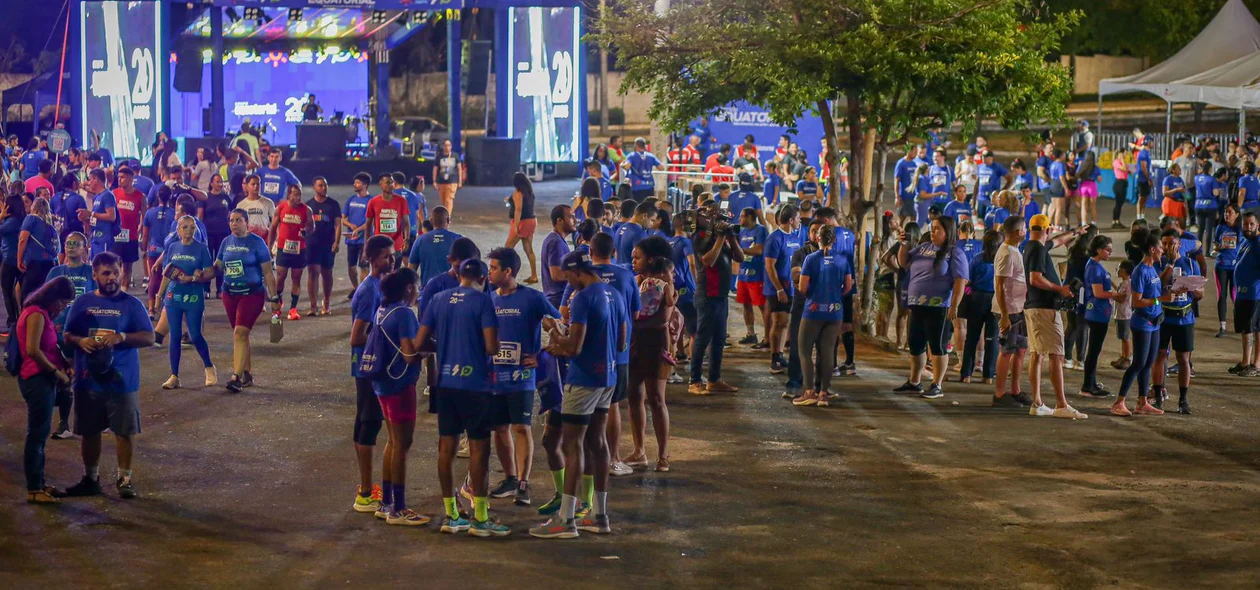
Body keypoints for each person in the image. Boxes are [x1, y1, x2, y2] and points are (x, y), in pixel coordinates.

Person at [532, 251, 625, 539]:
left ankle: (566, 521)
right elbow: (621, 340)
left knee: (572, 446)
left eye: (567, 276)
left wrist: (554, 332)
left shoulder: (583, 298)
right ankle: (600, 516)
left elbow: (573, 347)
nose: (567, 282)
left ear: (577, 272)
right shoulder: (614, 293)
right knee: (598, 443)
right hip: (608, 377)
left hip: (583, 379)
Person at [418, 258, 511, 537]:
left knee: (446, 448)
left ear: (460, 275)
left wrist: (444, 345)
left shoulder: (438, 299)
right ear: (483, 279)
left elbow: (421, 341)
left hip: (445, 384)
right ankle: (480, 518)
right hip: (475, 385)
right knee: (479, 450)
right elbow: (492, 346)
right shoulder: (483, 303)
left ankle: (451, 514)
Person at [62, 252, 155, 499]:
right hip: (88, 380)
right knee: (90, 432)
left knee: (124, 431)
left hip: (123, 381)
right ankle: (91, 479)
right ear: (95, 275)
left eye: (116, 272)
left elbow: (150, 337)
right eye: (106, 273)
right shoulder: (83, 303)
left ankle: (124, 479)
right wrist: (81, 341)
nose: (112, 277)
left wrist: (122, 337)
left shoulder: (132, 304)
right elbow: (67, 335)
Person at [486, 247, 561, 503]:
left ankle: (523, 483)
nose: (489, 272)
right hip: (495, 377)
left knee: (521, 426)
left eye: (494, 268)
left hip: (522, 378)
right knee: (499, 428)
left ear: (508, 271)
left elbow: (558, 323)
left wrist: (542, 354)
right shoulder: (488, 299)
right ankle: (509, 478)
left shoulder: (532, 297)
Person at [370, 268, 431, 526]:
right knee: (403, 445)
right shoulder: (405, 313)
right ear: (408, 289)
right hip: (400, 385)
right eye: (416, 287)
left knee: (392, 442)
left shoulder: (383, 309)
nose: (418, 291)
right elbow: (408, 354)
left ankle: (386, 503)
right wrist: (425, 354)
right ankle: (399, 508)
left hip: (382, 383)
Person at [1020, 215, 1088, 419]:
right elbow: (1035, 278)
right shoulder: (1037, 249)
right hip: (1043, 308)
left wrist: (1076, 232)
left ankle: (1038, 403)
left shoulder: (1033, 246)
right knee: (1056, 354)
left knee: (1037, 354)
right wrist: (1060, 288)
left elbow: (1056, 241)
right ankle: (1061, 404)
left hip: (1036, 307)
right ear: (1047, 229)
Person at [16, 277, 76, 503]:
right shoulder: (35, 314)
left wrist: (64, 365)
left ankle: (39, 484)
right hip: (36, 378)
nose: (62, 306)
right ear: (51, 296)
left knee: (40, 435)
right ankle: (34, 489)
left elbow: (50, 347)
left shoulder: (42, 314)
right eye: (61, 301)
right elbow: (33, 350)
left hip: (42, 378)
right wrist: (55, 372)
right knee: (37, 435)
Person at [894, 216, 968, 399]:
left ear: (947, 232)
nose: (933, 232)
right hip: (917, 304)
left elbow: (960, 280)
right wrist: (903, 245)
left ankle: (937, 384)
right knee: (916, 344)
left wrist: (954, 305)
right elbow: (904, 262)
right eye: (932, 228)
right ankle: (914, 381)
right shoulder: (924, 247)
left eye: (937, 229)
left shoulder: (954, 253)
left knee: (937, 346)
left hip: (939, 307)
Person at [347, 235, 394, 515]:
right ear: (372, 259)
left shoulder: (377, 285)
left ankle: (366, 489)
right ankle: (365, 493)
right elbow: (356, 336)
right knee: (369, 424)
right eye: (387, 256)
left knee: (365, 423)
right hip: (368, 367)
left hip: (367, 366)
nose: (392, 260)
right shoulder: (368, 291)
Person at [215, 209, 281, 393]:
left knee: (239, 333)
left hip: (252, 295)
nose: (234, 223)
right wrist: (202, 273)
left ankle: (235, 378)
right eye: (231, 220)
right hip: (229, 295)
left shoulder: (257, 243)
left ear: (246, 222)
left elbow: (268, 272)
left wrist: (274, 297)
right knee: (241, 336)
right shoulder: (226, 242)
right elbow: (218, 266)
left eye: (238, 220)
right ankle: (247, 373)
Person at [624, 237, 676, 471]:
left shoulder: (665, 283)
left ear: (651, 259)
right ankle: (639, 451)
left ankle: (663, 454)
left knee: (656, 399)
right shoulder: (635, 281)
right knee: (634, 397)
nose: (633, 261)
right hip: (635, 343)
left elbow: (663, 319)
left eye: (637, 257)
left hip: (655, 345)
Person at [791, 225, 853, 406]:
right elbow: (848, 287)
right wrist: (835, 296)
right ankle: (824, 394)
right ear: (834, 240)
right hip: (835, 312)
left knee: (804, 350)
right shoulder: (843, 259)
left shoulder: (810, 259)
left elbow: (802, 288)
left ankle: (809, 391)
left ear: (817, 239)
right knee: (827, 353)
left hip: (813, 311)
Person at [154, 216, 217, 389]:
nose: (188, 230)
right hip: (173, 296)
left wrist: (200, 276)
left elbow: (210, 272)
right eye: (185, 227)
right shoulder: (173, 247)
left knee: (195, 335)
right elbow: (168, 273)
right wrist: (159, 296)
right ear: (178, 230)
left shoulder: (201, 249)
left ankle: (209, 366)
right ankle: (174, 375)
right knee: (174, 336)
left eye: (192, 227)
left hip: (193, 296)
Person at [689, 202, 744, 394]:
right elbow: (708, 260)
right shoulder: (700, 237)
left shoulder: (724, 237)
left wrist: (732, 237)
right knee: (703, 339)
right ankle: (694, 380)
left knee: (719, 339)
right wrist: (720, 238)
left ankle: (714, 379)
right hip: (707, 294)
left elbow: (740, 257)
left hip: (721, 296)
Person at [1112, 232, 1169, 416]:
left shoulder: (1153, 269)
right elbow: (1136, 302)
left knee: (1148, 363)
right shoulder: (1140, 271)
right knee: (1138, 363)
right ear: (1152, 250)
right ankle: (1119, 402)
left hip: (1154, 323)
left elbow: (1156, 291)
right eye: (1160, 247)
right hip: (1142, 323)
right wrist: (1161, 300)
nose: (1163, 250)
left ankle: (1142, 402)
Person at [44, 232, 95, 438]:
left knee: (84, 378)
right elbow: (44, 300)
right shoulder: (56, 271)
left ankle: (93, 419)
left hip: (83, 336)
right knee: (63, 379)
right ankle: (64, 424)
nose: (71, 247)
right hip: (57, 336)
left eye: (76, 244)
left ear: (85, 249)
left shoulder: (91, 272)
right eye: (68, 243)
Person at [1149, 229, 1200, 415]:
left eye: (1172, 243)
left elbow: (1200, 294)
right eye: (1165, 243)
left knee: (1183, 358)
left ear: (1179, 244)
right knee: (1159, 356)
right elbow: (1154, 287)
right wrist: (1168, 267)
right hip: (1163, 317)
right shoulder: (1157, 263)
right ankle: (1158, 397)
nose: (1168, 247)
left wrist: (1187, 287)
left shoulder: (1190, 263)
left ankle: (1183, 399)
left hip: (1184, 318)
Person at [763, 205, 802, 374]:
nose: (800, 221)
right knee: (778, 321)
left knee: (785, 322)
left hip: (792, 288)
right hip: (777, 289)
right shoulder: (775, 238)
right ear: (791, 220)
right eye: (798, 218)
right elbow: (769, 266)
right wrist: (779, 288)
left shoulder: (795, 237)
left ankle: (780, 354)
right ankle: (774, 358)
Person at [1080, 235, 1120, 398]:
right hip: (1096, 313)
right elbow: (1098, 292)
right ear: (1099, 250)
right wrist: (1115, 295)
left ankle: (1091, 382)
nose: (1110, 253)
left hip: (1098, 312)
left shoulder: (1094, 265)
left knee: (1094, 350)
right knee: (1094, 351)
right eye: (1108, 250)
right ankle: (1088, 386)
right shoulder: (1095, 268)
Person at [960, 230, 1001, 384]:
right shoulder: (1001, 260)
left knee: (972, 337)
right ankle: (988, 375)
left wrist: (968, 293)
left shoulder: (977, 259)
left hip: (977, 298)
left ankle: (966, 374)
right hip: (995, 300)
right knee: (992, 339)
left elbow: (967, 281)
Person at [268, 185, 314, 321]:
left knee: (296, 278)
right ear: (289, 195)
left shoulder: (306, 210)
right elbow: (273, 228)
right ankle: (279, 302)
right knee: (280, 277)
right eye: (295, 194)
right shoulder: (281, 208)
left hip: (299, 249)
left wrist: (306, 231)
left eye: (299, 194)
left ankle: (293, 309)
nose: (298, 197)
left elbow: (312, 227)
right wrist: (269, 247)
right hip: (283, 248)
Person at [305, 177, 341, 316]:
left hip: (328, 244)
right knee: (313, 273)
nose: (323, 188)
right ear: (314, 187)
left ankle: (326, 302)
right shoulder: (309, 206)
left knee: (327, 274)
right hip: (312, 244)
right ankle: (313, 306)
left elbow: (338, 224)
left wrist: (336, 242)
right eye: (320, 186)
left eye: (325, 185)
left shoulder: (333, 205)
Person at [736, 207, 769, 346]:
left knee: (762, 305)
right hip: (744, 274)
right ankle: (751, 334)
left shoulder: (760, 230)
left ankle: (768, 337)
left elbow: (759, 250)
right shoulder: (741, 231)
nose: (739, 219)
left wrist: (740, 250)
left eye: (742, 216)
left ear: (750, 217)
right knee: (746, 304)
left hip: (757, 274)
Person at [364, 173, 411, 267]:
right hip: (379, 246)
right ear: (380, 184)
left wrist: (406, 240)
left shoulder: (402, 201)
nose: (391, 185)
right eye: (387, 182)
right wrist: (367, 244)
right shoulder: (373, 202)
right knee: (380, 275)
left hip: (396, 246)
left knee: (395, 275)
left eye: (392, 182)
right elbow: (368, 225)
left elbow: (406, 223)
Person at [409, 206, 462, 287]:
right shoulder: (458, 239)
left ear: (431, 221)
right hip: (451, 291)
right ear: (448, 220)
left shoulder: (420, 240)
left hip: (428, 290)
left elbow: (411, 270)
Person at [17, 197, 59, 298]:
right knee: (43, 294)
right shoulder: (50, 226)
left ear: (34, 207)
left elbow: (23, 239)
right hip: (50, 263)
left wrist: (19, 260)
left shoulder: (31, 219)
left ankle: (26, 313)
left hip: (34, 263)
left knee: (28, 295)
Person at [200, 173, 233, 297]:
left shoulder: (226, 198)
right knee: (208, 262)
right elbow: (200, 216)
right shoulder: (205, 198)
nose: (220, 184)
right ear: (211, 183)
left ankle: (220, 289)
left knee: (220, 262)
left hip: (223, 234)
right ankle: (206, 289)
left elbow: (231, 215)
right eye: (217, 181)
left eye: (221, 182)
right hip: (208, 234)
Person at [505, 172, 540, 284]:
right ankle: (534, 275)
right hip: (532, 220)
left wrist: (516, 226)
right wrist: (509, 200)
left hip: (522, 222)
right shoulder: (529, 192)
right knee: (528, 249)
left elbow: (518, 209)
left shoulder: (518, 193)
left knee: (508, 248)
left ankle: (509, 274)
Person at [343, 172, 373, 295]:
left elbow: (371, 221)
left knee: (364, 266)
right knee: (351, 267)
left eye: (358, 182)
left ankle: (363, 291)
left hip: (364, 240)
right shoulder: (351, 199)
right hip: (351, 240)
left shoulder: (371, 201)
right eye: (355, 182)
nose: (354, 184)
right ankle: (357, 288)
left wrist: (359, 229)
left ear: (365, 185)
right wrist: (350, 226)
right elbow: (343, 218)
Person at [1215, 205, 1242, 338]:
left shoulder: (1240, 229)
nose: (1227, 214)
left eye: (1230, 212)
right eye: (1225, 212)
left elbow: (1244, 245)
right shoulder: (1220, 228)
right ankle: (1222, 326)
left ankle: (1241, 325)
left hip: (1236, 267)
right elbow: (1216, 245)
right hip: (1221, 265)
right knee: (1221, 295)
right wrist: (1218, 248)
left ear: (1237, 214)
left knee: (1235, 295)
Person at [540, 204, 574, 309]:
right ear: (559, 221)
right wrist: (579, 276)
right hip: (558, 299)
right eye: (571, 217)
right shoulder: (556, 242)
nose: (575, 220)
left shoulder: (555, 239)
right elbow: (556, 275)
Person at [0, 194, 25, 334]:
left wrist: (1, 216)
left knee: (7, 290)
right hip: (19, 260)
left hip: (9, 260)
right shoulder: (22, 220)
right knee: (17, 291)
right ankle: (18, 320)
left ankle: (12, 322)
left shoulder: (11, 222)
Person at [1194, 167, 1226, 255]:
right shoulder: (1212, 179)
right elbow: (1215, 192)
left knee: (1200, 229)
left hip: (1198, 204)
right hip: (1210, 205)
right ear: (1210, 169)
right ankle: (1207, 252)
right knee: (1208, 230)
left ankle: (1197, 251)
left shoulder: (1196, 178)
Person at [1110, 261, 1135, 371]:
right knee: (1122, 337)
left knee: (1125, 338)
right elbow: (1119, 293)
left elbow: (1122, 298)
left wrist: (1110, 295)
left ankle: (1127, 359)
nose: (1117, 270)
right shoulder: (1124, 283)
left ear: (1125, 271)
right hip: (1120, 314)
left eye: (1120, 268)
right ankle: (1123, 356)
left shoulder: (1128, 284)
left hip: (1125, 314)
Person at [236, 174, 277, 240]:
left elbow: (275, 222)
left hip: (264, 239)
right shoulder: (240, 205)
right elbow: (238, 224)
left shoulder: (269, 203)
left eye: (258, 184)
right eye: (253, 184)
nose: (256, 186)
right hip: (247, 239)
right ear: (247, 186)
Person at [614, 200, 653, 268]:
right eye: (652, 220)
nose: (652, 224)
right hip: (633, 274)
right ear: (644, 216)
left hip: (620, 273)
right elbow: (643, 260)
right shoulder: (639, 233)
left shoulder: (620, 228)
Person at [433, 139, 462, 213]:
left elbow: (459, 169)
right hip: (441, 182)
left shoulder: (455, 156)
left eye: (448, 145)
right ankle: (444, 216)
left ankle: (447, 218)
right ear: (443, 146)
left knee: (448, 200)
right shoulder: (439, 157)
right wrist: (434, 181)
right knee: (443, 201)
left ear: (451, 146)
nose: (447, 147)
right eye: (445, 145)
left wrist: (460, 181)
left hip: (452, 181)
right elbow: (435, 169)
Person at [1111, 150, 1130, 229]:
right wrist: (1122, 159)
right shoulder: (1116, 162)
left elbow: (1126, 169)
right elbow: (1124, 168)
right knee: (1118, 203)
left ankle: (1117, 220)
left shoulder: (1122, 161)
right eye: (1123, 153)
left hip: (1123, 183)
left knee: (1120, 203)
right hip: (1119, 184)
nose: (1125, 155)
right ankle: (1115, 221)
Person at [1135, 143, 1153, 220]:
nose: (1153, 143)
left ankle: (1142, 216)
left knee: (1145, 198)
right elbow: (1143, 167)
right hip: (1142, 179)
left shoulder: (1147, 153)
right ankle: (1139, 217)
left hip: (1146, 178)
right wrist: (1148, 179)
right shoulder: (1143, 153)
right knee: (1141, 198)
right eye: (1152, 142)